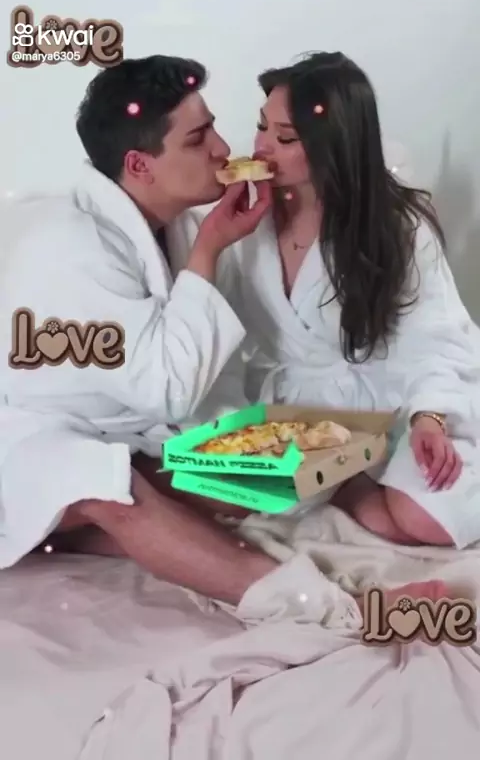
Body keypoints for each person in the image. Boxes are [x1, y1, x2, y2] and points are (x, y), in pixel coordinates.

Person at [0, 53, 450, 620]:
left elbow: (210, 369)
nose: (224, 148)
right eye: (198, 139)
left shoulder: (175, 224)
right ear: (139, 165)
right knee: (109, 486)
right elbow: (168, 390)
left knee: (269, 475)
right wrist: (210, 249)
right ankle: (338, 610)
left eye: (213, 127)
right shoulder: (71, 246)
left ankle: (73, 538)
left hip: (131, 434)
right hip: (35, 439)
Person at [224, 50, 480, 550]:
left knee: (429, 518)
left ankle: (357, 483)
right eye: (261, 127)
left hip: (400, 397)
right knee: (239, 493)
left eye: (285, 138)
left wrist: (430, 417)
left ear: (332, 142)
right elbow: (219, 333)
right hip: (303, 417)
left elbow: (436, 338)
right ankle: (350, 486)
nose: (262, 147)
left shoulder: (397, 226)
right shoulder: (246, 220)